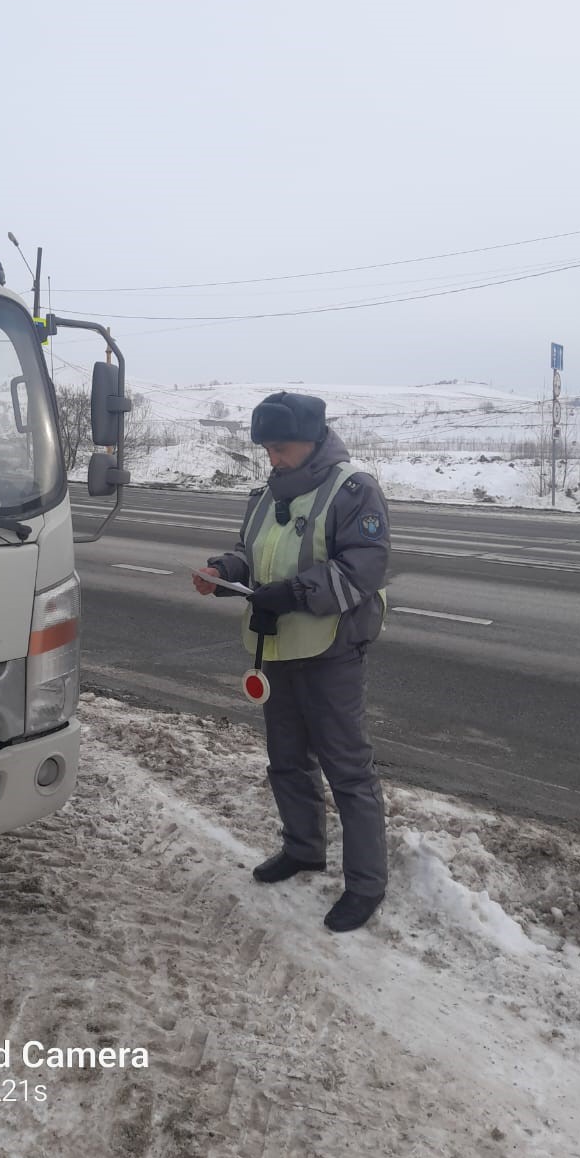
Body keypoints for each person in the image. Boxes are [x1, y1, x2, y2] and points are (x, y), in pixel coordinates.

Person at [192, 391, 390, 932]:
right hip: (274, 648)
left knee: (347, 770)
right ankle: (303, 848)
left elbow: (361, 572)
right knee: (285, 760)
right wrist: (224, 568)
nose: (271, 458)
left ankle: (367, 885)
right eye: (266, 449)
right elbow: (252, 552)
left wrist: (293, 593)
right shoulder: (265, 493)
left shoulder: (354, 491)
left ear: (313, 439)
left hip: (331, 652)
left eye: (280, 448)